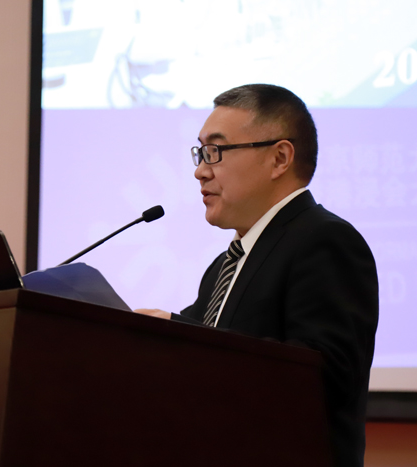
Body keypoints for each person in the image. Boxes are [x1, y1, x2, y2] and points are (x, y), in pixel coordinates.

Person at [135, 83, 378, 467]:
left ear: (279, 158)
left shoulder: (325, 240)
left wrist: (177, 332)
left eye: (215, 151)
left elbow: (321, 380)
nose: (200, 171)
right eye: (200, 152)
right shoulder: (224, 265)